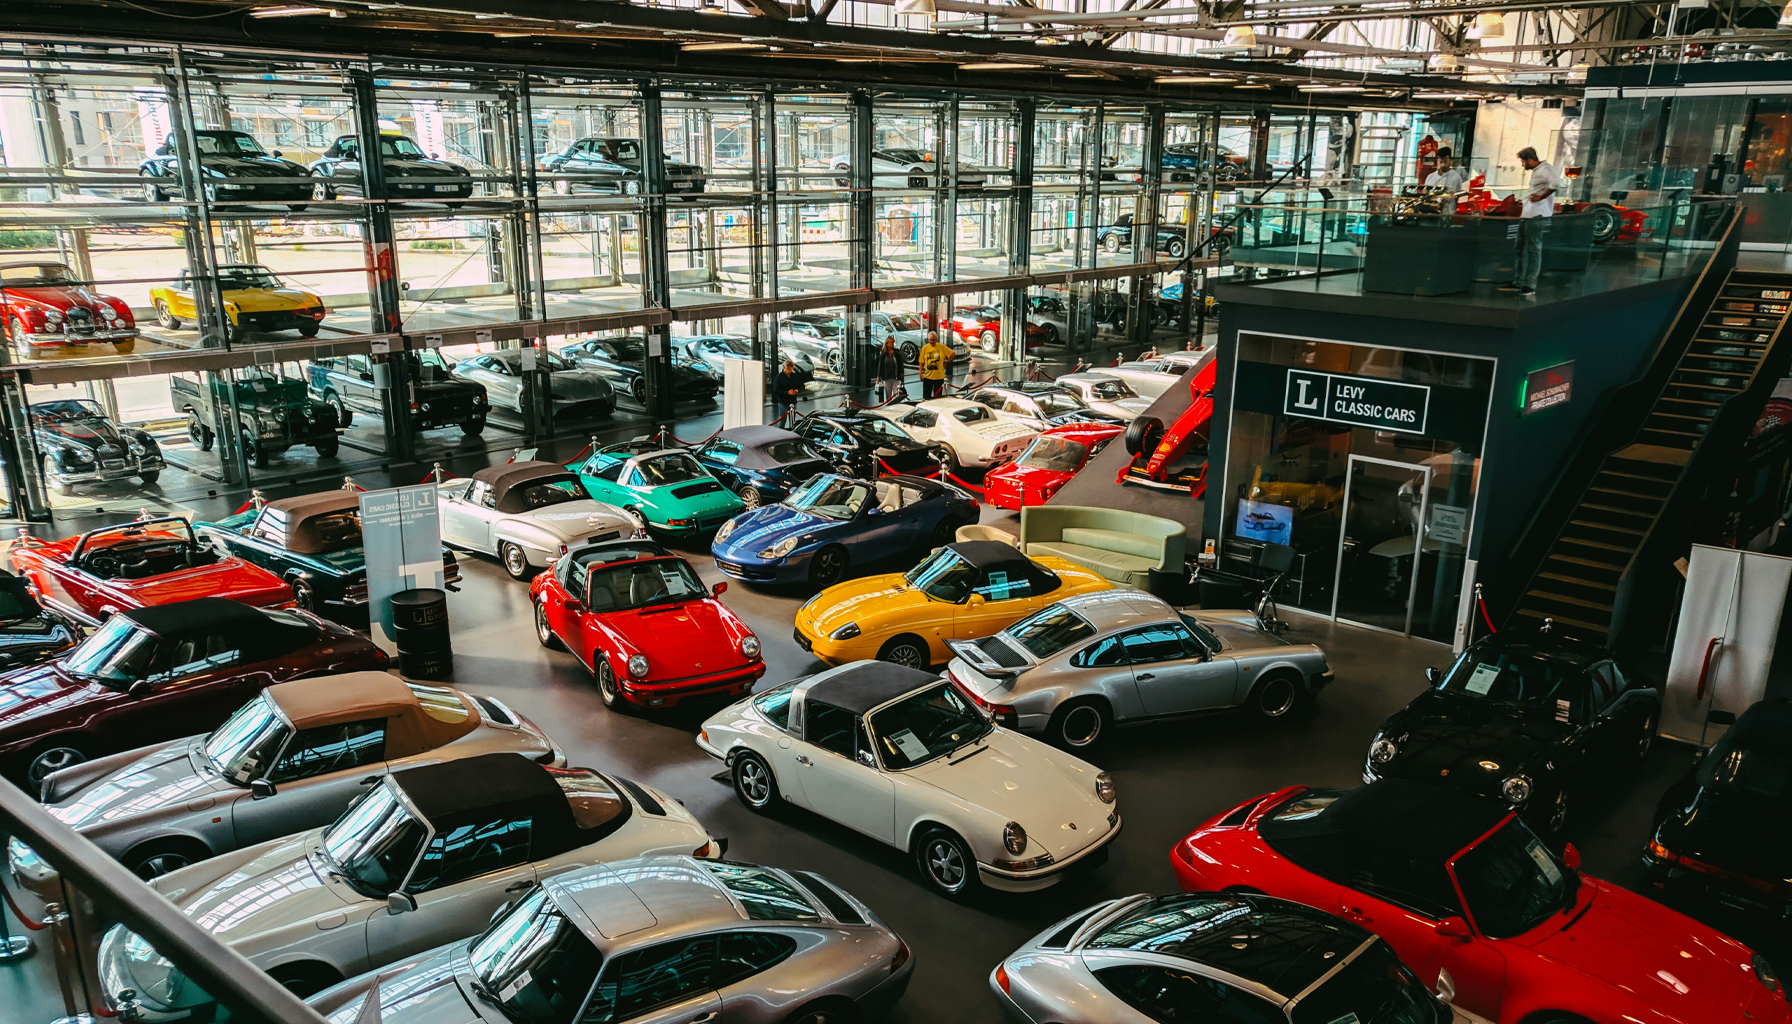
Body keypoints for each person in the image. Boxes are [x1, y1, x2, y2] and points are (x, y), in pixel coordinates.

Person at [1504, 145, 1562, 297]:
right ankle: (1518, 281)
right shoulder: (1539, 171)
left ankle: (1530, 284)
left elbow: (1556, 184)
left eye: (1523, 162)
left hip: (1537, 215)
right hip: (1528, 214)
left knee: (1533, 249)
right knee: (1520, 247)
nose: (1523, 165)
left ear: (1530, 160)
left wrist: (1541, 197)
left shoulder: (1546, 170)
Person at [918, 329, 952, 400]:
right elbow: (921, 361)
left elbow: (952, 354)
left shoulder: (941, 347)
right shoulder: (924, 348)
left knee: (937, 398)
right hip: (928, 377)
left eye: (933, 340)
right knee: (926, 397)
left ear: (936, 339)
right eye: (930, 340)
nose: (932, 342)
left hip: (939, 377)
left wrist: (947, 361)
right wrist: (920, 372)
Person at [773, 356, 804, 422]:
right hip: (783, 402)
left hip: (793, 401)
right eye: (788, 370)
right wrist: (787, 392)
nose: (789, 372)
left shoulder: (794, 376)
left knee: (793, 421)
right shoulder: (779, 378)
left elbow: (800, 386)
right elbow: (776, 390)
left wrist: (797, 390)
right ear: (784, 368)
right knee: (782, 421)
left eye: (791, 370)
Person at [877, 338, 904, 405]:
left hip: (896, 376)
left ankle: (896, 405)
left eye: (893, 342)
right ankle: (889, 405)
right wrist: (878, 375)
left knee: (896, 393)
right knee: (888, 394)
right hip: (886, 376)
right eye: (891, 342)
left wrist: (902, 373)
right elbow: (880, 365)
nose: (892, 344)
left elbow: (900, 363)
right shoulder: (883, 353)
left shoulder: (897, 352)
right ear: (887, 343)